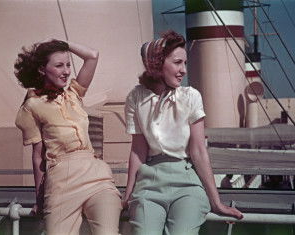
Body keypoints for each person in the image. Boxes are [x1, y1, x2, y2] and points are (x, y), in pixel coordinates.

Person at [123, 30, 243, 235]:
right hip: (149, 183)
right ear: (158, 63)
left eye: (185, 63)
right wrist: (127, 196)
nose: (184, 70)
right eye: (178, 63)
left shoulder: (191, 97)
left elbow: (198, 151)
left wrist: (216, 202)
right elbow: (138, 151)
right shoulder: (136, 97)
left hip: (186, 183)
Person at [14, 39, 122, 235]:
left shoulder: (74, 94)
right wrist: (40, 199)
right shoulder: (31, 106)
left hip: (97, 177)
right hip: (61, 182)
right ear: (42, 69)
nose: (66, 71)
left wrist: (61, 44)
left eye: (68, 65)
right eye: (58, 65)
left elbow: (92, 55)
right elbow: (38, 156)